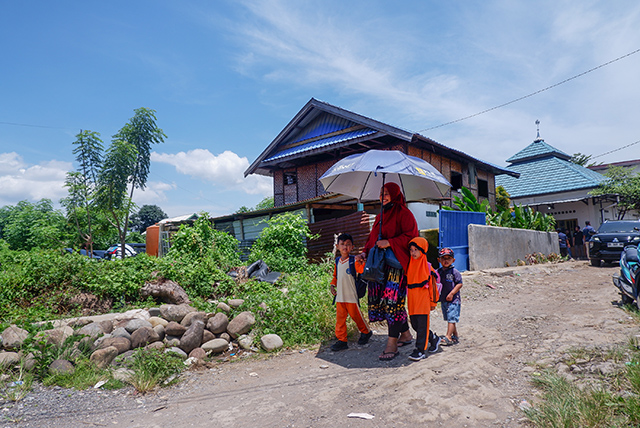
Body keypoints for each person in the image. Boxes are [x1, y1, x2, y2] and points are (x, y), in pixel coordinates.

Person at [357, 182, 419, 361]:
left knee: (393, 302)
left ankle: (392, 343)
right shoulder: (380, 216)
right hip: (379, 266)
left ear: (395, 194)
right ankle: (405, 335)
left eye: (386, 193)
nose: (382, 196)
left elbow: (412, 236)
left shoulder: (404, 214)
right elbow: (372, 239)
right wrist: (363, 252)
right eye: (381, 193)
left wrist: (391, 242)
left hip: (396, 266)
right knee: (385, 303)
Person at [329, 233, 372, 351]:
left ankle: (366, 332)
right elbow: (335, 276)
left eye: (348, 244)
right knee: (340, 320)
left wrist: (362, 262)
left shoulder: (354, 260)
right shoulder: (337, 261)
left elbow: (361, 270)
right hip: (340, 297)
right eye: (342, 244)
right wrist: (333, 285)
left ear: (352, 247)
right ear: (337, 246)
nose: (345, 247)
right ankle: (342, 340)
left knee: (357, 316)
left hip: (351, 295)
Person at [406, 237, 441, 361]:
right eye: (411, 250)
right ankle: (434, 339)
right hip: (412, 302)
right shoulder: (410, 265)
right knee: (415, 325)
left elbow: (433, 287)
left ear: (423, 250)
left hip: (423, 302)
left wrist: (433, 302)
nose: (413, 252)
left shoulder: (427, 267)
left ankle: (420, 350)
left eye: (416, 250)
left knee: (421, 326)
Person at [437, 248, 463, 346]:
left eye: (449, 258)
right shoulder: (438, 272)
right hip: (444, 299)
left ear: (453, 260)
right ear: (439, 260)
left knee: (452, 318)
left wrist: (452, 293)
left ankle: (448, 336)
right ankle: (455, 335)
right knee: (449, 318)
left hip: (453, 300)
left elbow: (459, 284)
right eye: (443, 258)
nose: (446, 260)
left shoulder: (454, 272)